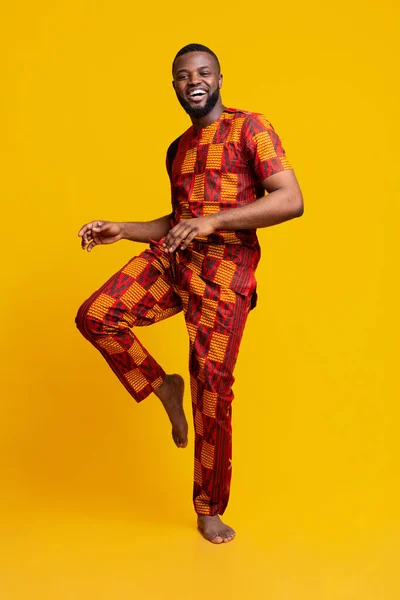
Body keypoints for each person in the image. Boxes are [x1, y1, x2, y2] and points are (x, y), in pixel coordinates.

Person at [75, 43, 304, 544]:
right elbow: (177, 221)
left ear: (220, 78)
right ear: (174, 86)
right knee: (96, 315)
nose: (193, 81)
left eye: (203, 72)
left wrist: (215, 221)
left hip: (225, 275)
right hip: (174, 260)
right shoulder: (176, 148)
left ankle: (208, 508)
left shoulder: (252, 129)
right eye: (182, 75)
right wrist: (125, 228)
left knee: (212, 390)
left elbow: (291, 200)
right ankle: (163, 387)